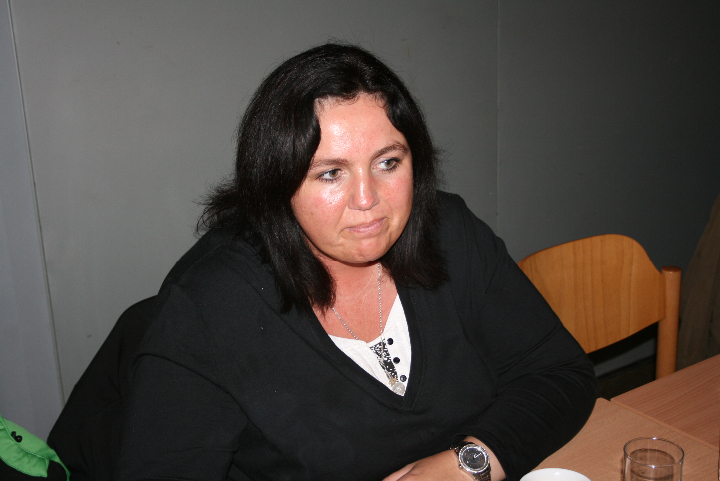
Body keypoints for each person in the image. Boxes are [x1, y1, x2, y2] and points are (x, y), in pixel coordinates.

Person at [49, 43, 597, 481]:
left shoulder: (449, 233)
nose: (368, 200)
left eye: (388, 162)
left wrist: (469, 463)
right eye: (331, 173)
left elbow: (558, 374)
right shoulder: (212, 310)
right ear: (275, 184)